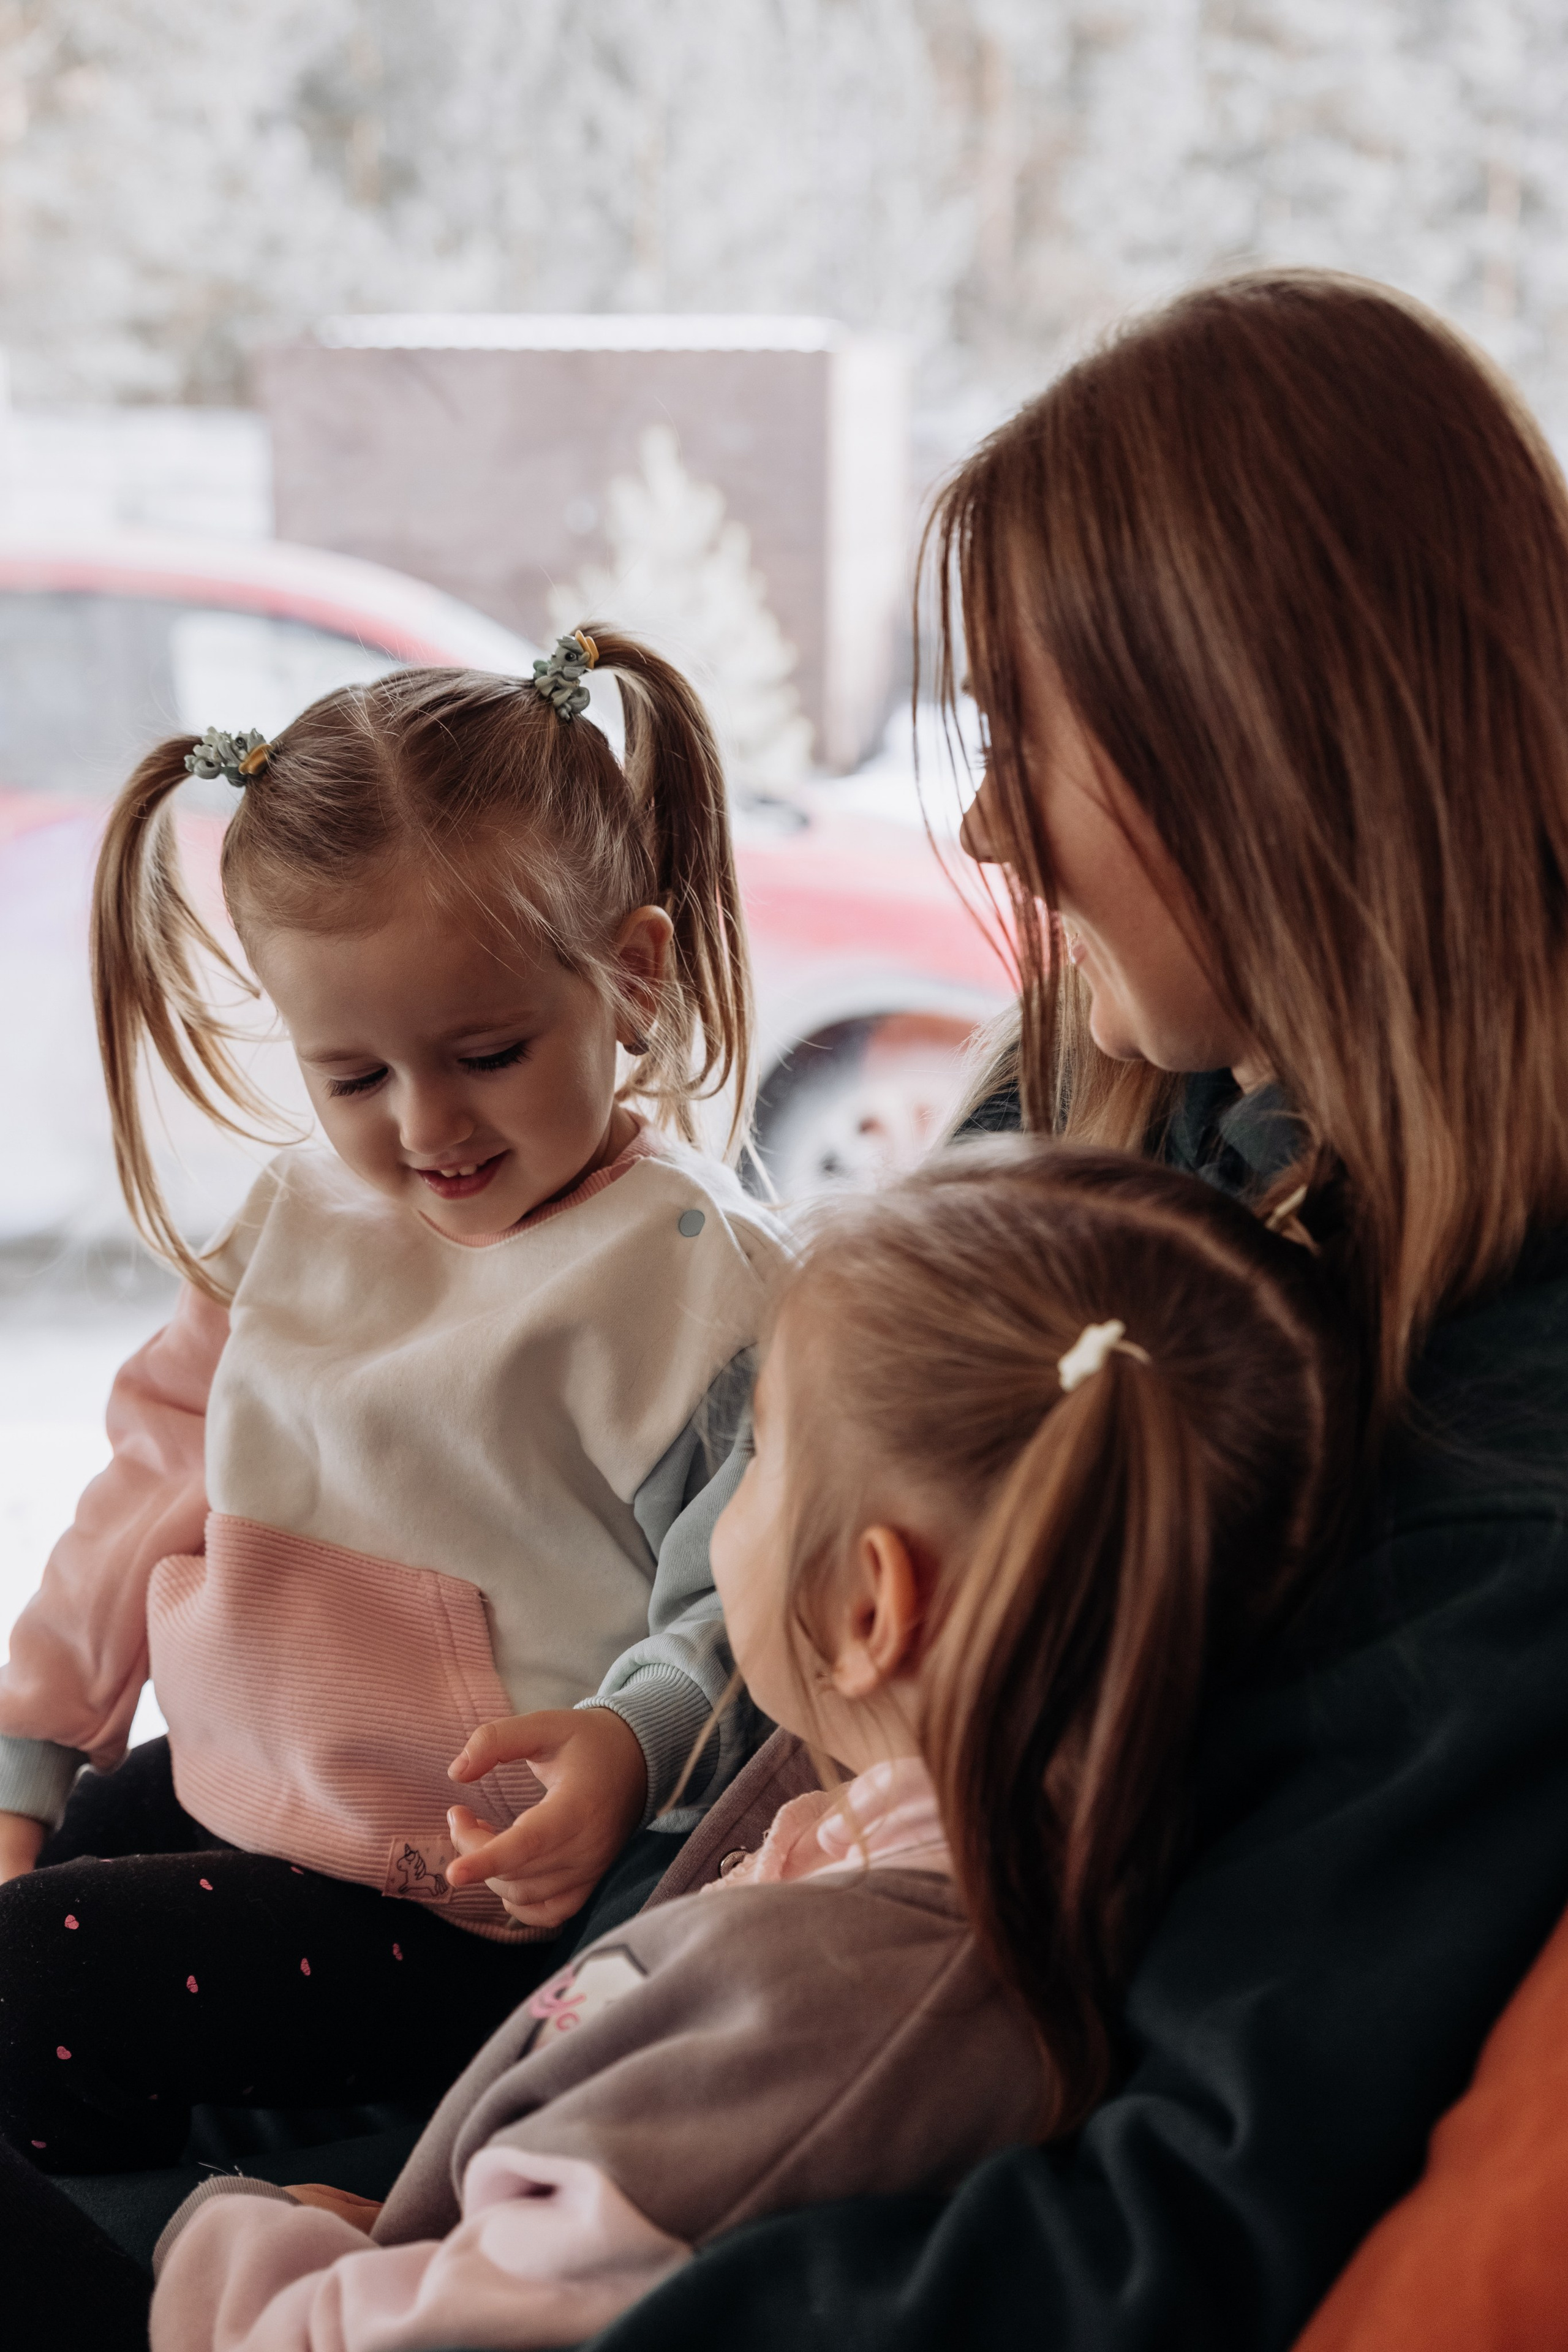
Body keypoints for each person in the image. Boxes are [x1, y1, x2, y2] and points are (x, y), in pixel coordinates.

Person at [541, 268, 1568, 2350]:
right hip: (637, 2034)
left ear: (1258, 752)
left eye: (1027, 742)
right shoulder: (1146, 1093)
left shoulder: (1498, 1452)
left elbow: (1177, 2218)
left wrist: (498, 2295)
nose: (992, 824)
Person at [143, 1140, 1348, 2352]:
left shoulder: (848, 2007)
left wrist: (247, 2244)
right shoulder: (902, 1859)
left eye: (759, 1455)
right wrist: (433, 2236)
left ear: (873, 1610)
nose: (732, 1496)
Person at [0, 631, 789, 2174]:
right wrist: (32, 1751)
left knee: (31, 1987)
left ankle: (230, 2246)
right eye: (352, 1078)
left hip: (477, 1902)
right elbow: (145, 1492)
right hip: (269, 1790)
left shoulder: (699, 1280)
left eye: (486, 1053)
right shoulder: (290, 1226)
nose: (428, 1125)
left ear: (629, 975)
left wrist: (628, 1746)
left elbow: (742, 1599)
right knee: (67, 1863)